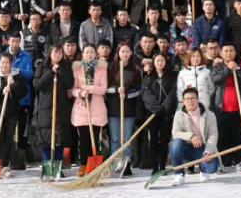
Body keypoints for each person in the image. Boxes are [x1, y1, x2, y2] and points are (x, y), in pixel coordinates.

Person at [32, 44, 75, 170]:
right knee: (46, 140)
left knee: (59, 140)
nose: (58, 55)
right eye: (55, 52)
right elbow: (37, 85)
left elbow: (69, 84)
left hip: (61, 108)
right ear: (50, 54)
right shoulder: (42, 67)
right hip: (45, 108)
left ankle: (57, 168)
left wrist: (59, 70)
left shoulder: (66, 67)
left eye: (60, 52)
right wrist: (51, 72)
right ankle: (47, 167)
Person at [169, 87, 219, 187]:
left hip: (203, 149)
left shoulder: (210, 115)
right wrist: (191, 136)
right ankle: (179, 174)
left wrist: (208, 151)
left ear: (198, 99)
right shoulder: (179, 114)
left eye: (193, 98)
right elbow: (175, 133)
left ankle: (203, 170)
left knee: (212, 167)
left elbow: (213, 135)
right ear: (183, 101)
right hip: (186, 149)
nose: (190, 101)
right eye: (187, 99)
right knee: (175, 143)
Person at [70, 44, 108, 174]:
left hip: (97, 108)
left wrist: (89, 88)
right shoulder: (77, 69)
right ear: (82, 54)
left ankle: (94, 164)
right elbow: (73, 88)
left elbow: (103, 88)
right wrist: (80, 93)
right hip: (82, 108)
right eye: (87, 52)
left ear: (96, 54)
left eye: (92, 52)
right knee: (84, 139)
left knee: (95, 139)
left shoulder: (101, 69)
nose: (89, 55)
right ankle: (83, 164)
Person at [210, 43, 241, 167]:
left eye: (231, 51)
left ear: (235, 53)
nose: (229, 53)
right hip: (221, 108)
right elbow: (215, 79)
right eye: (226, 51)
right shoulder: (217, 67)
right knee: (223, 135)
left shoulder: (240, 67)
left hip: (238, 108)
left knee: (236, 135)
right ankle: (224, 160)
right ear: (221, 53)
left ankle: (237, 160)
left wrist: (237, 70)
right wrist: (228, 69)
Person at [107, 43, 141, 175]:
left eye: (127, 51)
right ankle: (115, 163)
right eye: (122, 51)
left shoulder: (135, 69)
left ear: (131, 53)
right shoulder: (111, 68)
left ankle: (126, 164)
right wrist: (116, 90)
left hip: (129, 109)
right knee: (115, 138)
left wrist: (126, 94)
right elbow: (105, 88)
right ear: (118, 53)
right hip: (114, 108)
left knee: (127, 138)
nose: (125, 54)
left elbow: (139, 90)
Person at [143, 53, 178, 172]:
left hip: (166, 113)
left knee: (164, 139)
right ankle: (154, 167)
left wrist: (164, 107)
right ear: (153, 62)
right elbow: (146, 94)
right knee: (153, 139)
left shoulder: (172, 76)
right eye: (157, 60)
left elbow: (173, 92)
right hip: (152, 113)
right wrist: (156, 108)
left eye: (162, 60)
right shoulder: (148, 77)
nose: (160, 63)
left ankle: (162, 166)